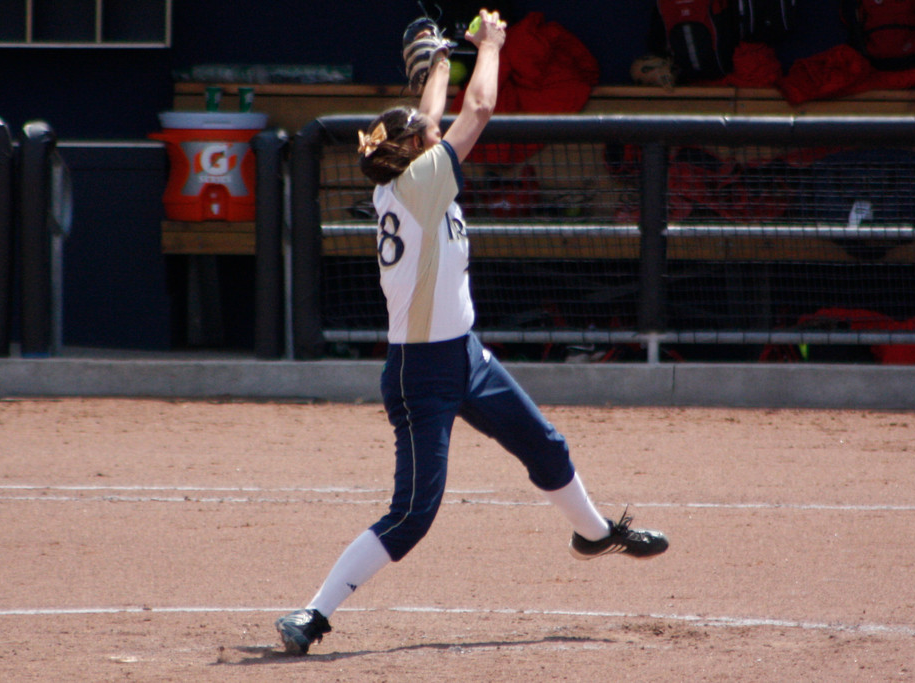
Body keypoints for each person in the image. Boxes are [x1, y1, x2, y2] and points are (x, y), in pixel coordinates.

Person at [275, 9, 668, 656]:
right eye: (423, 132)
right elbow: (479, 107)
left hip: (466, 356)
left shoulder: (402, 179)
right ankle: (312, 614)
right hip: (420, 375)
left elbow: (424, 118)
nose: (431, 126)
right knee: (413, 514)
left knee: (546, 445)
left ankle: (595, 532)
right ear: (416, 153)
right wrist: (490, 46)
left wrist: (436, 65)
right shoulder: (423, 183)